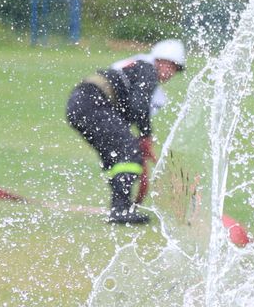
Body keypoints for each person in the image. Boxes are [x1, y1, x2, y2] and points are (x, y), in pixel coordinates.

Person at [65, 39, 187, 225]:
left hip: (80, 104)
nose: (170, 72)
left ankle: (120, 206)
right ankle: (121, 210)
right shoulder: (147, 70)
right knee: (130, 153)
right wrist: (145, 135)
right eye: (169, 65)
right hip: (92, 103)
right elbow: (139, 105)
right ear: (158, 60)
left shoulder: (136, 66)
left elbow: (130, 105)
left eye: (175, 69)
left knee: (115, 156)